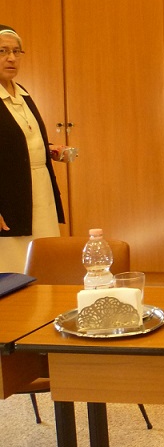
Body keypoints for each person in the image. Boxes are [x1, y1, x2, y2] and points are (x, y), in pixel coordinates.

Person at [0, 25, 66, 272]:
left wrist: (49, 149)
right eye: (3, 51)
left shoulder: (23, 93)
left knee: (43, 257)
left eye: (16, 51)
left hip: (39, 189)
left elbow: (19, 139)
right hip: (9, 196)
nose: (11, 58)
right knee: (14, 264)